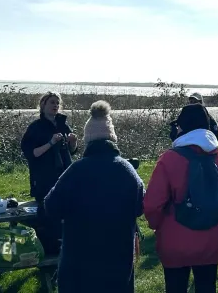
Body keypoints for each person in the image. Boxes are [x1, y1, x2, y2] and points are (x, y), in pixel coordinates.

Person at [44, 101, 145, 293]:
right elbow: (141, 206)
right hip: (117, 264)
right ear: (112, 138)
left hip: (79, 265)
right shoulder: (128, 171)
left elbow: (51, 206)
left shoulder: (76, 170)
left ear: (87, 140)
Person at [144, 104, 218, 293]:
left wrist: (157, 225)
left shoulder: (169, 159)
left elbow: (153, 204)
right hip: (211, 239)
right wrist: (217, 217)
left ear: (182, 128)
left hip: (174, 238)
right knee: (206, 287)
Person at [21, 92, 78, 255]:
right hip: (44, 178)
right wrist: (51, 142)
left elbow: (71, 152)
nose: (55, 106)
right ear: (43, 105)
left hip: (65, 175)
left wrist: (73, 142)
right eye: (51, 102)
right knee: (48, 213)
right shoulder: (35, 128)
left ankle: (66, 247)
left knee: (67, 212)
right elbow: (32, 154)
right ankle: (49, 249)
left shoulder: (63, 124)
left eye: (57, 103)